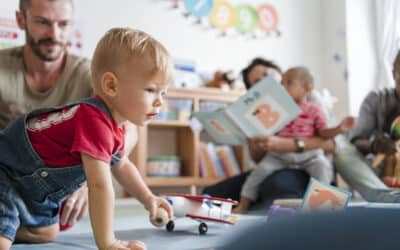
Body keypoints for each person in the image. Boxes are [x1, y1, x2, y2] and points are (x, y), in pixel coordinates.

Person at [0, 27, 174, 250]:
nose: (160, 101)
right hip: (7, 172)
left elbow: (122, 165)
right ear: (111, 86)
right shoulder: (93, 120)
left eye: (163, 93)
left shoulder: (116, 127)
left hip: (34, 192)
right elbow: (99, 185)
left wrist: (148, 198)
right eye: (151, 90)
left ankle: (11, 222)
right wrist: (108, 243)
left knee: (47, 233)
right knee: (3, 240)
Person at [1, 0, 98, 229]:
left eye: (63, 24)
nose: (54, 34)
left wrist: (91, 181)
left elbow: (127, 127)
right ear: (20, 20)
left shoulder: (90, 74)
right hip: (6, 185)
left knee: (47, 233)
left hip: (61, 199)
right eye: (43, 22)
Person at [203, 58, 335, 209]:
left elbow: (330, 144)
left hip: (308, 163)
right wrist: (254, 143)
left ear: (279, 74)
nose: (263, 81)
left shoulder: (309, 97)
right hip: (276, 161)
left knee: (276, 187)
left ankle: (300, 210)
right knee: (211, 194)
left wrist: (288, 145)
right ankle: (253, 207)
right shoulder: (258, 108)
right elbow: (259, 159)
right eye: (256, 81)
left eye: (266, 75)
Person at [233, 67, 355, 213]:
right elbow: (268, 131)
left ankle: (323, 208)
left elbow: (323, 133)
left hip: (309, 155)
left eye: (289, 83)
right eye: (282, 83)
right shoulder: (277, 108)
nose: (283, 87)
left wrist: (339, 129)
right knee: (257, 173)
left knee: (322, 167)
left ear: (307, 88)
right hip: (279, 156)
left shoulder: (314, 109)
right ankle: (243, 206)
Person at [333, 50, 400, 203]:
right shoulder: (376, 100)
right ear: (393, 73)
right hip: (377, 168)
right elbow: (357, 140)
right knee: (343, 152)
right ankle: (385, 197)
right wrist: (375, 146)